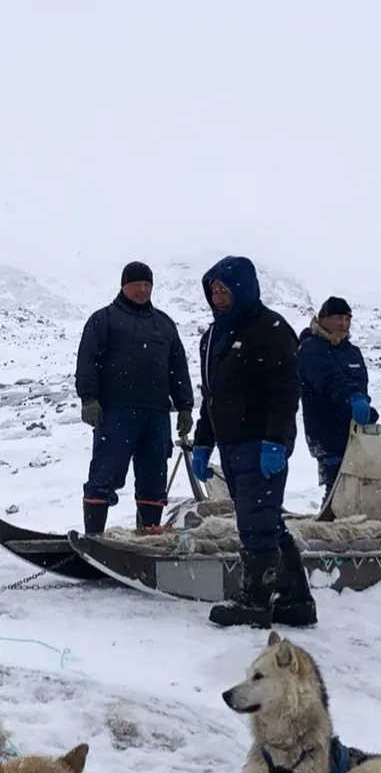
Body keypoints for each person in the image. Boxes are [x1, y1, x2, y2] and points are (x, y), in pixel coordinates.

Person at [189, 255, 316, 630]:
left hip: (261, 442)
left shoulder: (271, 329)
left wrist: (275, 440)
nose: (217, 297)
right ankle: (296, 600)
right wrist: (202, 442)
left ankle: (256, 600)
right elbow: (210, 396)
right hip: (230, 443)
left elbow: (285, 391)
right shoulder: (211, 337)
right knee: (264, 519)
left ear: (242, 289)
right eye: (213, 290)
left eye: (224, 290)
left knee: (256, 521)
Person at [76, 261, 194, 534]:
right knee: (105, 473)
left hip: (156, 414)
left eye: (147, 285)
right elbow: (87, 361)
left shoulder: (164, 325)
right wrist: (89, 399)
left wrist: (185, 407)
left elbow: (178, 368)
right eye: (136, 284)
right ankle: (94, 537)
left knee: (154, 476)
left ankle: (149, 537)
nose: (142, 290)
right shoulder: (103, 320)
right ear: (124, 285)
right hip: (116, 411)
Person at [299, 296, 379, 504]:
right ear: (323, 319)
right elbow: (329, 379)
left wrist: (363, 403)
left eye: (347, 319)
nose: (343, 324)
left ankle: (353, 523)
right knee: (336, 488)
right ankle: (331, 522)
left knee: (358, 487)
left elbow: (361, 384)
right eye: (338, 318)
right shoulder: (311, 348)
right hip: (326, 432)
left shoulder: (352, 352)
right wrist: (352, 397)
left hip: (355, 431)